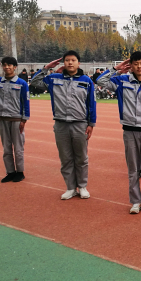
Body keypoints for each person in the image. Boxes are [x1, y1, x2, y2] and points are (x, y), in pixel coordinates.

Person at [95, 52, 141, 214]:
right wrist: (116, 69)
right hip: (129, 130)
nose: (139, 67)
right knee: (133, 169)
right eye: (136, 63)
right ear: (131, 65)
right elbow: (100, 80)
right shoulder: (122, 81)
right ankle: (135, 201)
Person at [31, 50, 96, 200]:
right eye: (67, 60)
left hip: (80, 124)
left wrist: (91, 123)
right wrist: (46, 68)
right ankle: (70, 188)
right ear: (64, 63)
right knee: (66, 158)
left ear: (79, 63)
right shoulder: (54, 79)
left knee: (81, 158)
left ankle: (82, 186)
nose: (70, 63)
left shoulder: (86, 81)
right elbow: (34, 82)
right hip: (61, 124)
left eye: (73, 60)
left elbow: (91, 103)